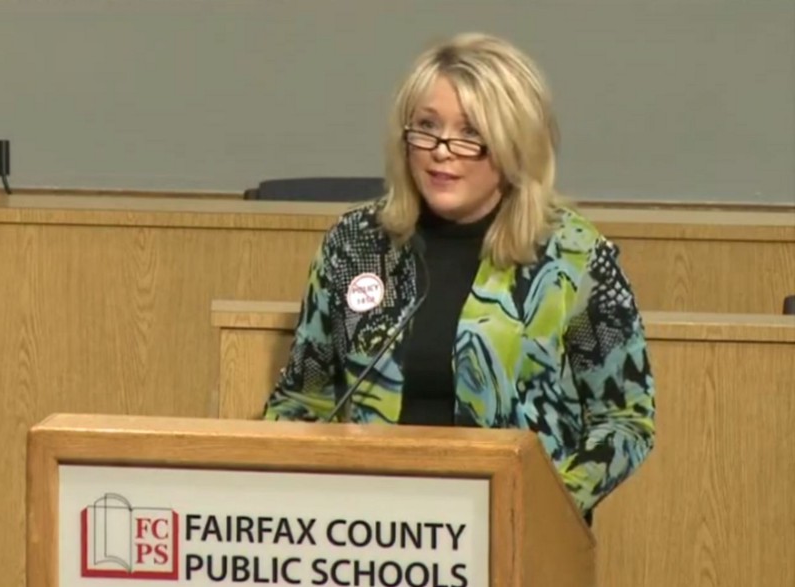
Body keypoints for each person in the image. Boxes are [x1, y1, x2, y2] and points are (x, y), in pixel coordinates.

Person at [262, 32, 656, 520]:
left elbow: (624, 421)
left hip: (514, 532)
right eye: (426, 127)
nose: (441, 150)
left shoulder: (574, 257)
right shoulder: (356, 241)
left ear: (514, 145)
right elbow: (304, 395)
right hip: (369, 529)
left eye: (470, 133)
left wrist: (549, 505)